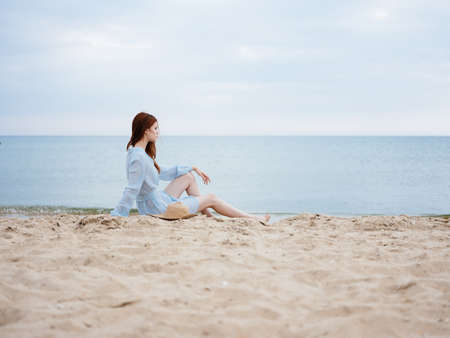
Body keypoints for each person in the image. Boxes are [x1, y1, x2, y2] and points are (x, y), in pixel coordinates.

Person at [110, 112, 271, 224]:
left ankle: (207, 214)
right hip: (158, 209)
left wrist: (192, 167)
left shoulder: (136, 153)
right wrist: (118, 215)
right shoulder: (138, 158)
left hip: (156, 201)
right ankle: (254, 219)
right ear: (146, 132)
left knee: (188, 177)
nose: (158, 132)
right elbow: (131, 189)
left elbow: (162, 172)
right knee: (212, 197)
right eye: (156, 128)